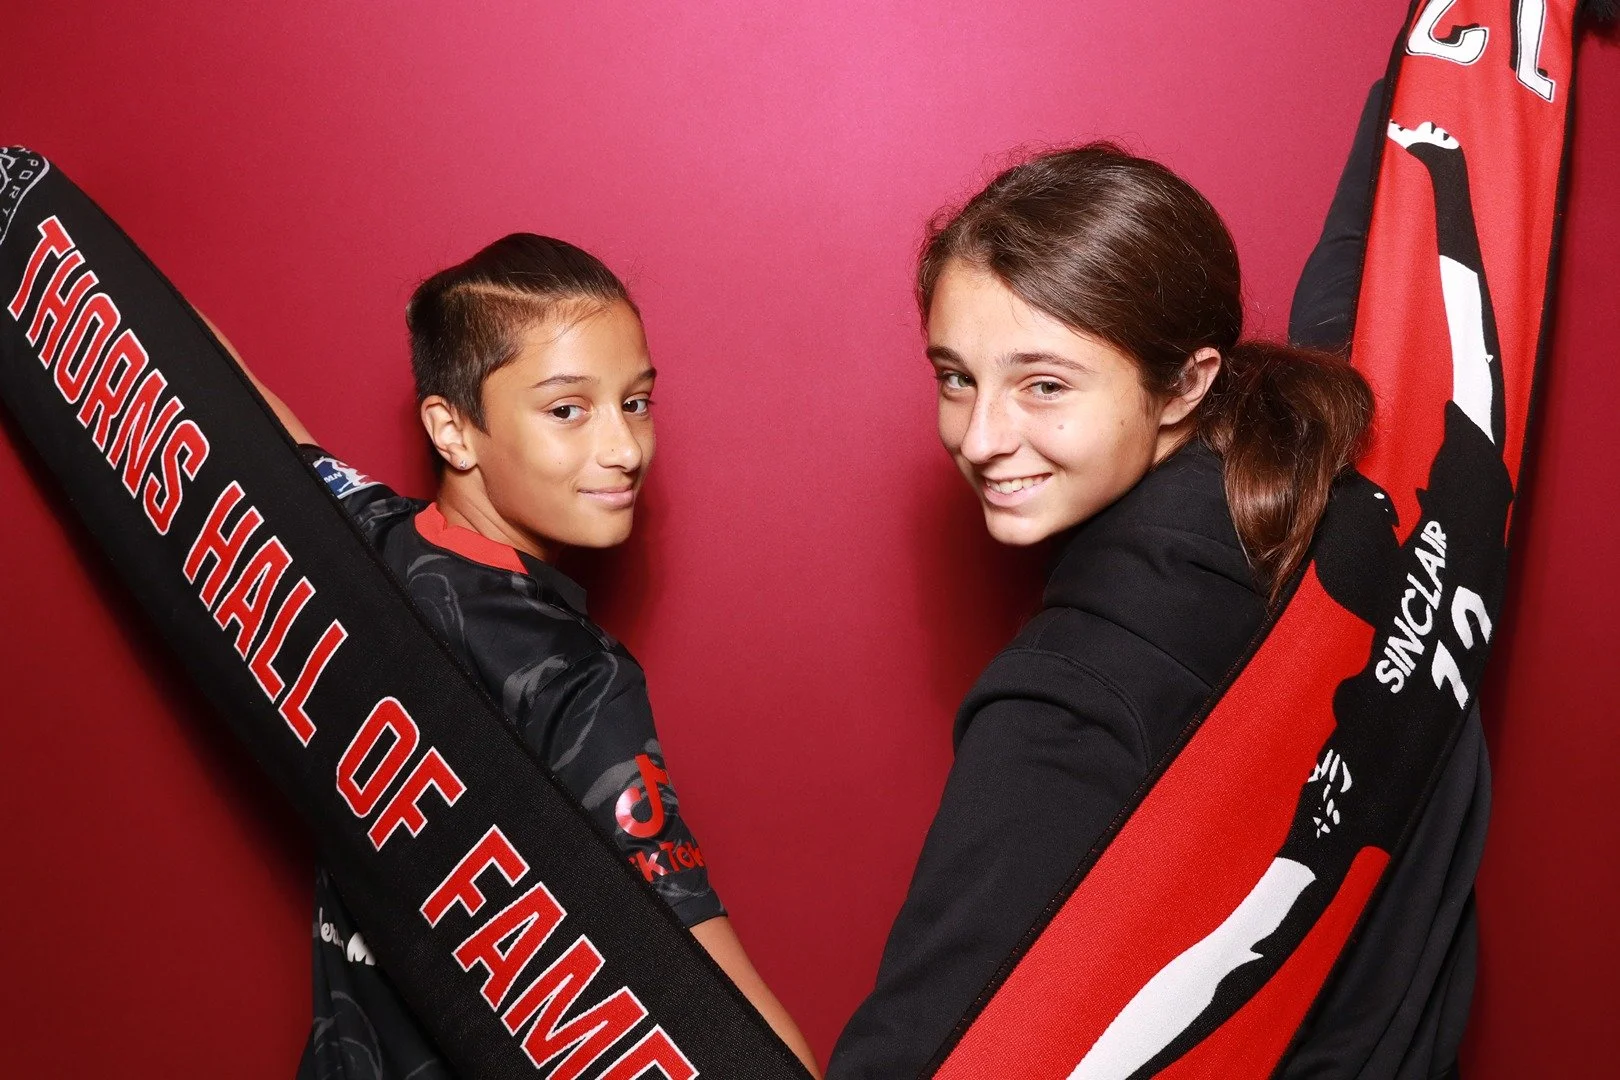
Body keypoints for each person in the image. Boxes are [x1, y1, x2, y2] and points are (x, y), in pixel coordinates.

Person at [829, 82, 1487, 1080]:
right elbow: (1375, 253)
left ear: (1187, 382)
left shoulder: (1075, 693)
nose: (980, 437)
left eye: (1043, 384)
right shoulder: (1369, 480)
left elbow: (916, 1054)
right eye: (956, 376)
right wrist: (1468, 41)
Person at [214, 234, 819, 1078]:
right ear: (452, 430)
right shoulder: (578, 676)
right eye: (568, 410)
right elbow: (709, 993)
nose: (624, 448)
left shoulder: (356, 542)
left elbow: (212, 392)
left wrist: (47, 219)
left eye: (636, 402)